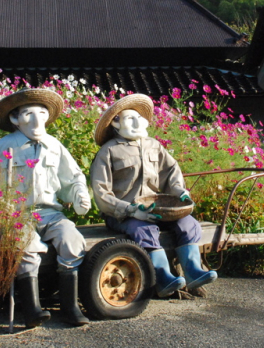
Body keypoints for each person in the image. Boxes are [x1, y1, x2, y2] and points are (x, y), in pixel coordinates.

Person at [0, 88, 91, 328]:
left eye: (41, 112)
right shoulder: (2, 147)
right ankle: (31, 309)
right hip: (16, 215)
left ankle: (70, 307)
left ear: (47, 117)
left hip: (51, 214)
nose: (36, 119)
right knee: (27, 244)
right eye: (27, 113)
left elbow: (72, 177)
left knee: (71, 239)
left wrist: (79, 196)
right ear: (15, 119)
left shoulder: (54, 146)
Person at [89, 94, 217, 298]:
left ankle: (193, 271)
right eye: (130, 118)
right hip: (123, 214)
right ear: (116, 123)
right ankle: (162, 277)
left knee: (188, 224)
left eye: (139, 118)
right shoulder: (109, 151)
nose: (137, 122)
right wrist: (129, 210)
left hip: (156, 208)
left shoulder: (153, 145)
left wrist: (179, 191)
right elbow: (101, 191)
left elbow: (171, 171)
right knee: (144, 230)